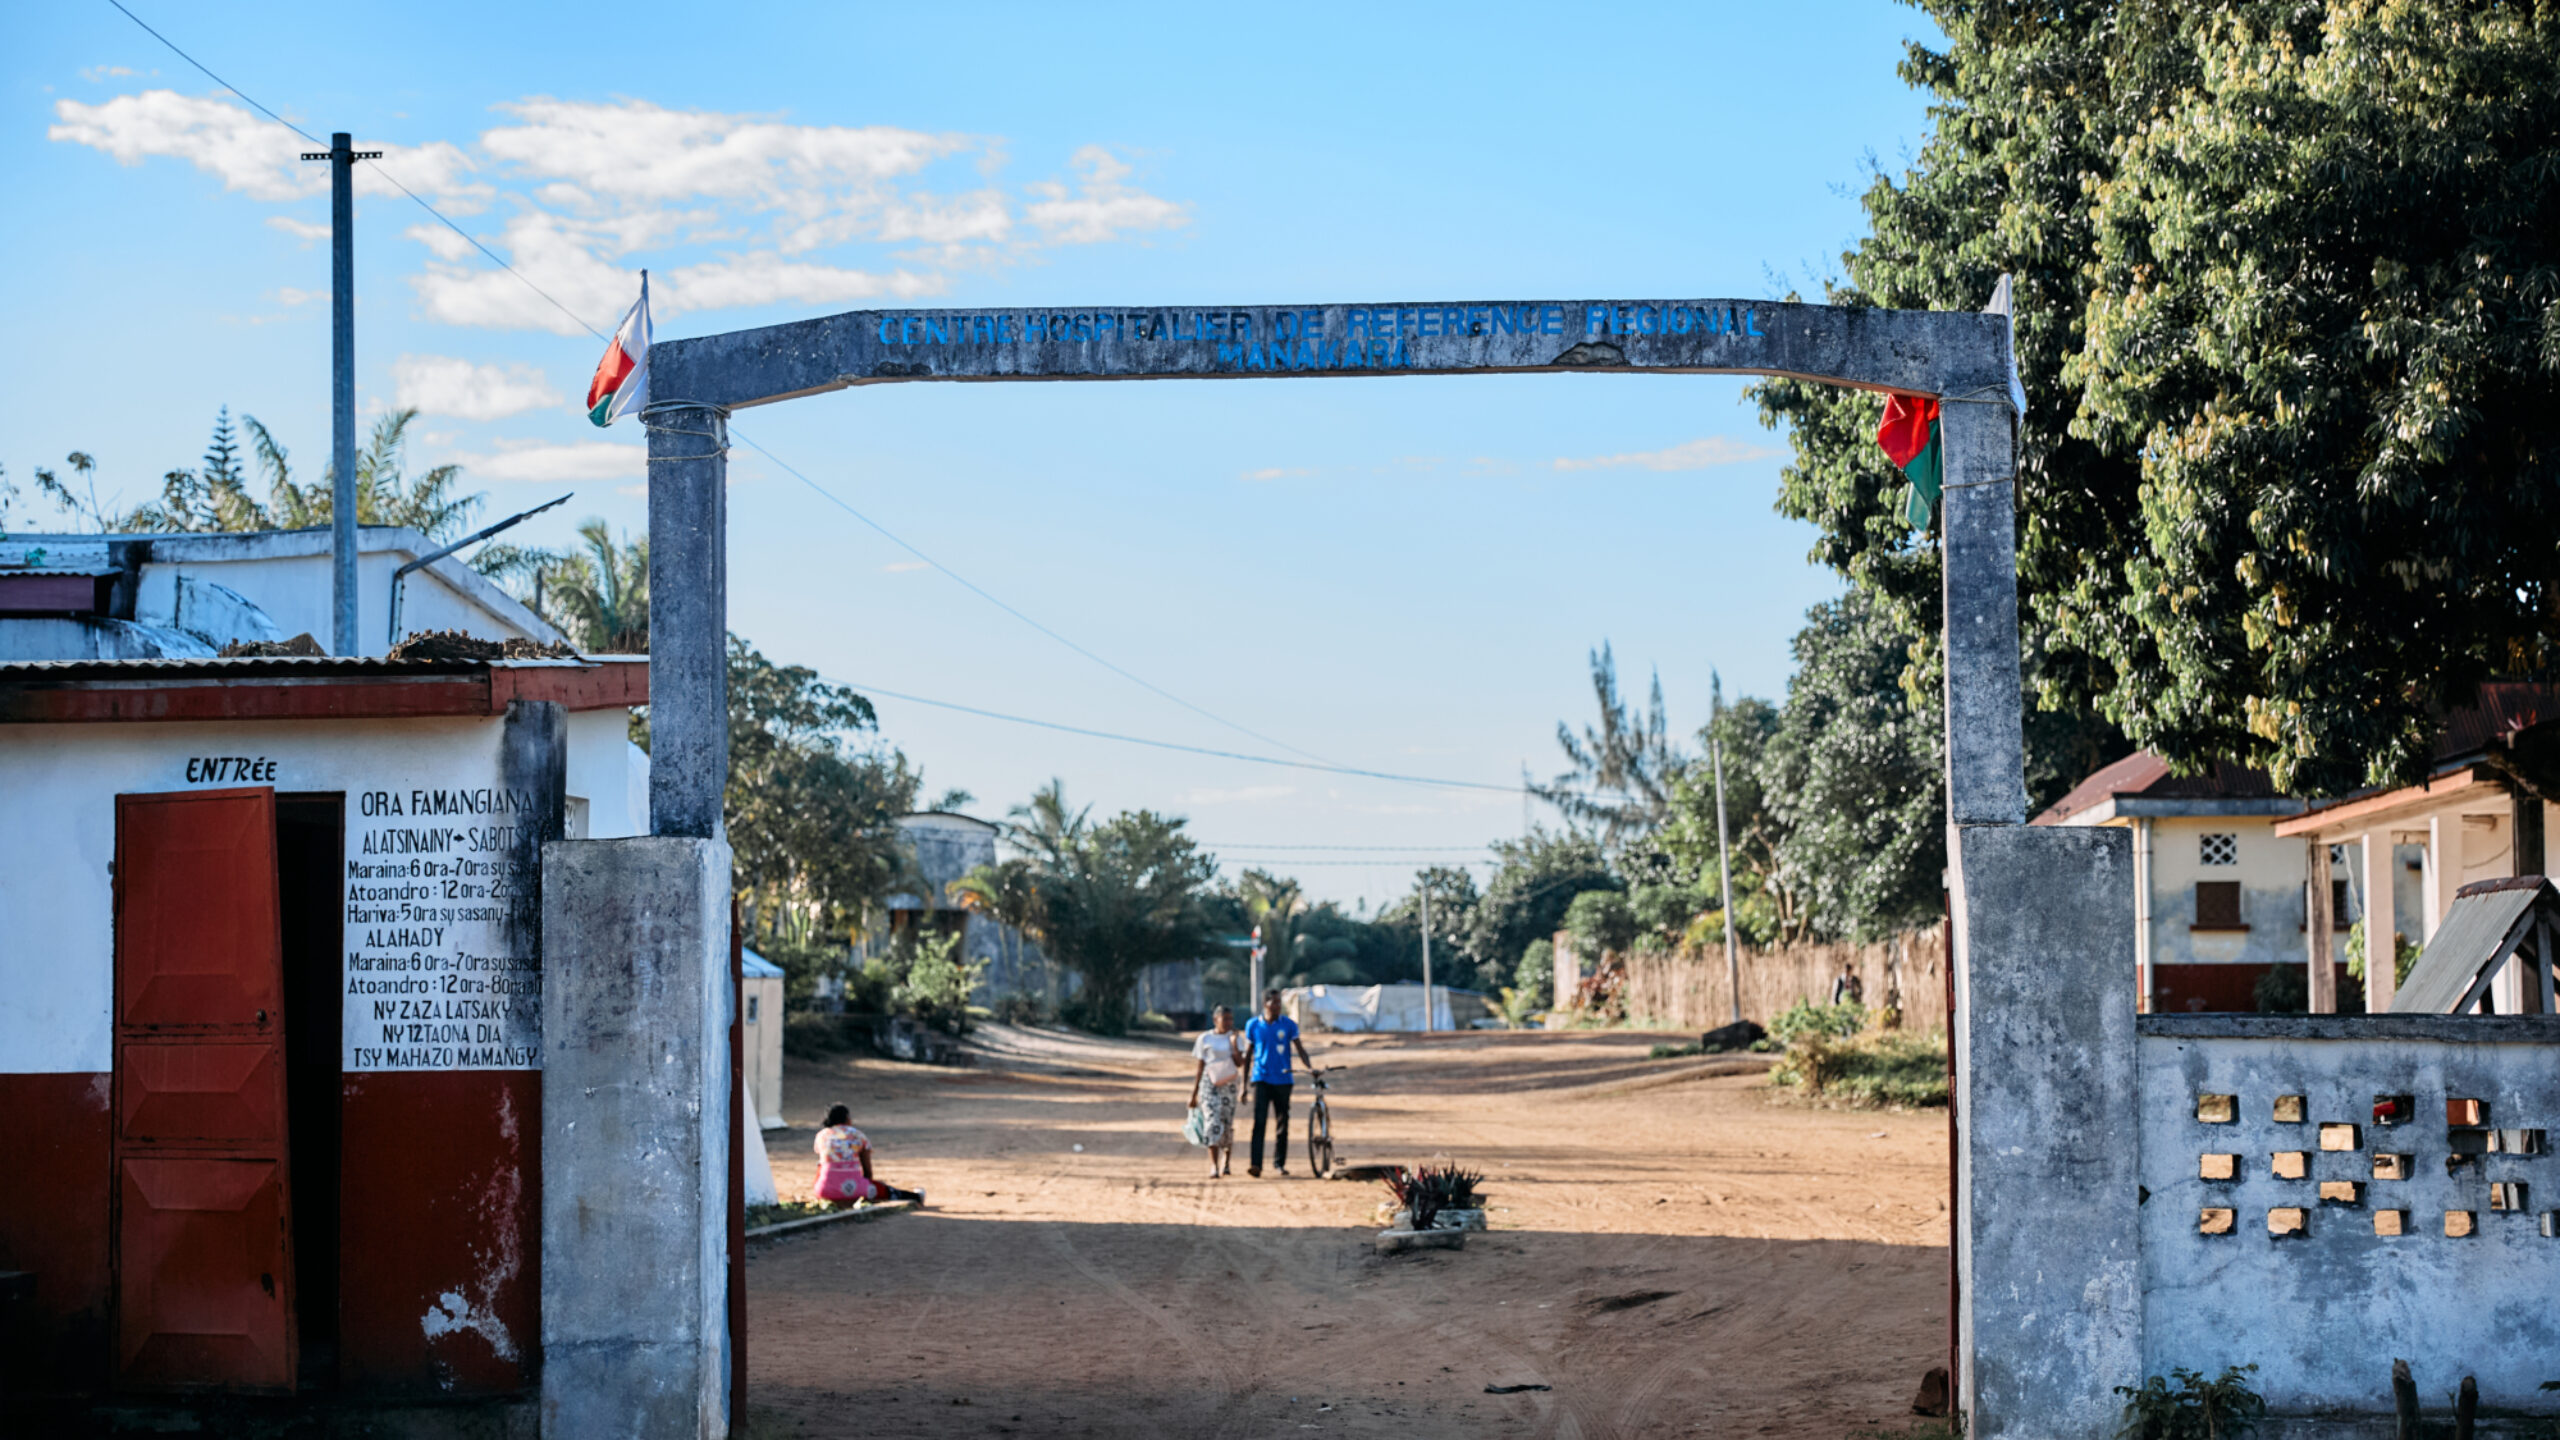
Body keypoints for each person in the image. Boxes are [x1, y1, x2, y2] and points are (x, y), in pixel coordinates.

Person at [1241, 988, 1316, 1178]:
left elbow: (1300, 1049)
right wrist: (1243, 1085)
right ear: (1265, 1004)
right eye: (1273, 1003)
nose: (1276, 1007)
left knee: (1283, 1123)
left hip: (1283, 1079)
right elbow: (1248, 1056)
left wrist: (1309, 1067)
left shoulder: (1289, 1025)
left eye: (1278, 1003)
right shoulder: (1253, 1025)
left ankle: (1279, 1163)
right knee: (1259, 1122)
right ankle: (1255, 1164)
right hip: (1261, 1079)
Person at [811, 1104, 925, 1208]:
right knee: (884, 1190)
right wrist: (866, 1185)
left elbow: (821, 1165)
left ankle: (820, 1191)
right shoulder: (857, 1134)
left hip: (824, 1191)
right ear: (847, 1118)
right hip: (855, 1190)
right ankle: (916, 1196)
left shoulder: (821, 1135)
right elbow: (867, 1171)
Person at [1188, 1005, 1246, 1178]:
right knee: (1212, 1122)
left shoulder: (1235, 1038)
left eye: (1231, 1019)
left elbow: (1239, 1063)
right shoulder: (1204, 1039)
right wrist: (1194, 1093)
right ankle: (1213, 1165)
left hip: (1229, 1085)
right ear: (1215, 1020)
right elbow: (1200, 1067)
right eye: (1225, 1019)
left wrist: (1234, 1044)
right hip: (1209, 1085)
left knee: (1227, 1124)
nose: (1229, 1022)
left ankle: (1226, 1162)